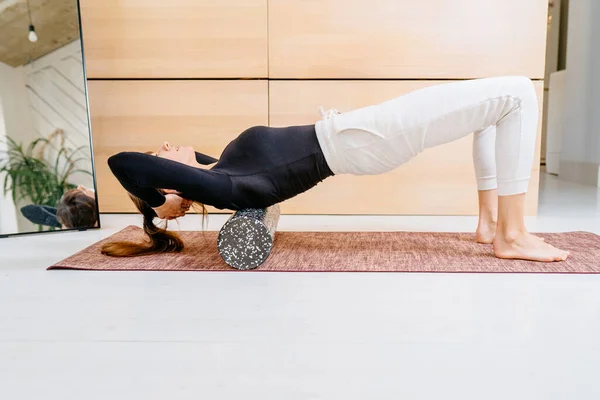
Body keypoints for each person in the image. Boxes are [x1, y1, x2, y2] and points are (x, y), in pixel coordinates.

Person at [104, 76, 568, 262]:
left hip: (360, 133)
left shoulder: (222, 170)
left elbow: (163, 166)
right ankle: (512, 234)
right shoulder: (224, 185)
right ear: (167, 183)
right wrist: (159, 204)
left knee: (493, 110)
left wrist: (165, 197)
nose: (164, 145)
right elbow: (121, 162)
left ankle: (492, 225)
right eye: (158, 152)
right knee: (517, 95)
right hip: (367, 139)